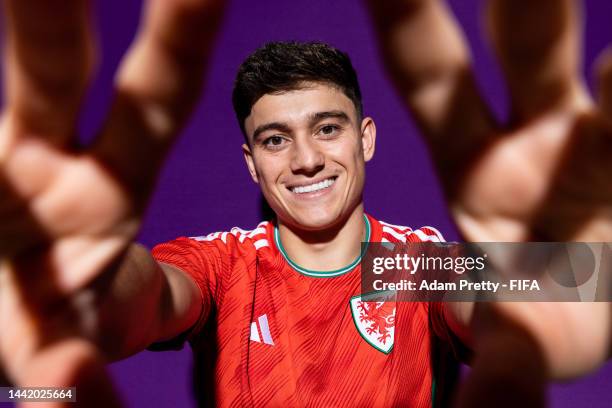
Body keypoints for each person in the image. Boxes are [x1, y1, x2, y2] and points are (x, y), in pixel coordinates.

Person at [0, 1, 609, 407]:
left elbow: (567, 280)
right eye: (275, 139)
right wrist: (76, 285)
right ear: (251, 163)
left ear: (365, 137)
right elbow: (143, 299)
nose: (306, 160)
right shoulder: (226, 265)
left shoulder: (412, 264)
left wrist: (573, 258)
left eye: (326, 128)